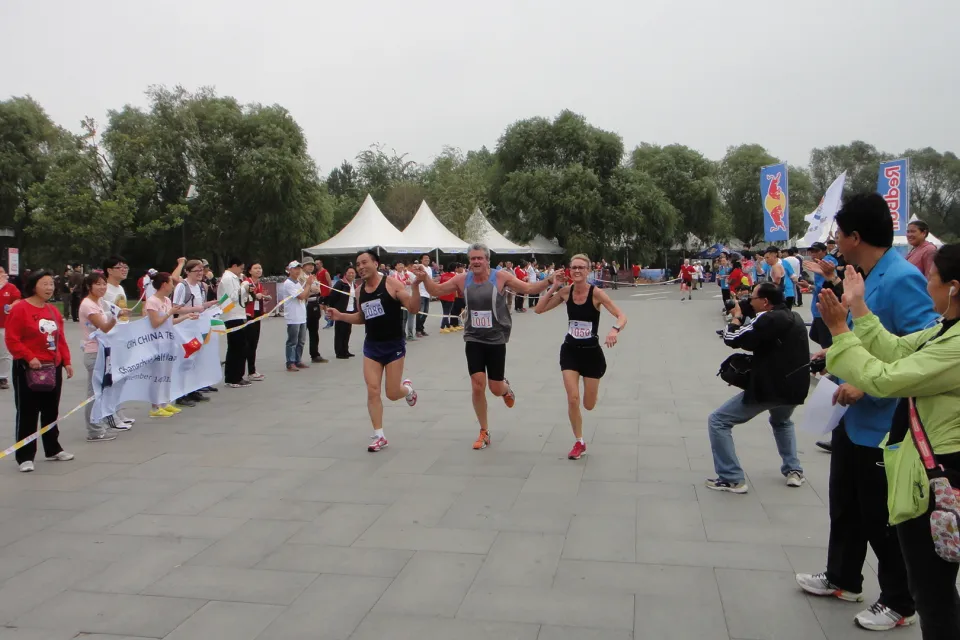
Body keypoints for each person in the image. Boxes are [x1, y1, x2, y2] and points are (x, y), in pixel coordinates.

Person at [796, 193, 938, 632]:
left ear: (856, 236)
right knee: (846, 503)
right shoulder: (865, 273)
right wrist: (834, 352)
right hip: (849, 418)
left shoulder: (901, 278)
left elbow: (921, 350)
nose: (834, 241)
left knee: (882, 515)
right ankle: (842, 577)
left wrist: (863, 383)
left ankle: (900, 601)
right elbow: (859, 332)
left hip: (884, 421)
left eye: (839, 233)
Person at [818, 247, 960, 639]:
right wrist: (859, 307)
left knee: (932, 588)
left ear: (953, 289)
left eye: (932, 276)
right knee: (931, 583)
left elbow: (884, 378)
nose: (926, 281)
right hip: (924, 464)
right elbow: (896, 350)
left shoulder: (955, 346)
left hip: (943, 474)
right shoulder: (944, 329)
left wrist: (841, 332)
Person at [414, 243, 553, 450]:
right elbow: (437, 290)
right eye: (473, 259)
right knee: (477, 384)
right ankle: (484, 430)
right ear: (469, 261)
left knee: (495, 388)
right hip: (473, 337)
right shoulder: (463, 279)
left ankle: (506, 388)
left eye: (480, 258)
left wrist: (550, 281)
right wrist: (423, 278)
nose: (476, 262)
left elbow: (529, 289)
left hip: (496, 338)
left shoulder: (500, 277)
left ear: (487, 260)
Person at [705, 283, 808, 493]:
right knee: (782, 421)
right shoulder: (793, 316)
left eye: (752, 298)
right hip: (795, 386)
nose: (749, 301)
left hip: (771, 387)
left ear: (765, 302)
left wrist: (735, 317)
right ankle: (794, 470)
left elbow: (733, 339)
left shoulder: (768, 318)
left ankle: (732, 478)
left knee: (718, 421)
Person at [534, 254, 627, 460]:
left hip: (592, 354)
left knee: (588, 404)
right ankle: (579, 442)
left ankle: (589, 398)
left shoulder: (597, 293)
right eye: (573, 267)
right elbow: (539, 310)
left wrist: (614, 330)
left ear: (588, 271)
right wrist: (554, 286)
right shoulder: (566, 292)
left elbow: (621, 316)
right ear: (569, 270)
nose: (577, 271)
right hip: (570, 351)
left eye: (581, 268)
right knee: (573, 398)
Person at [327, 251, 418, 452]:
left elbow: (412, 307)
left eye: (364, 262)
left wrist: (417, 287)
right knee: (373, 390)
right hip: (372, 347)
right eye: (358, 264)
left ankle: (408, 390)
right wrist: (341, 316)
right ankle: (379, 435)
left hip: (393, 345)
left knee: (393, 393)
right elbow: (362, 317)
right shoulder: (359, 291)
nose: (360, 267)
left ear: (376, 263)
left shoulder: (392, 284)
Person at [3, 270, 75, 472]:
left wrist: (67, 361)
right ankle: (25, 456)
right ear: (34, 286)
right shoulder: (21, 309)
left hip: (52, 367)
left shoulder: (53, 311)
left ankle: (53, 448)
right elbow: (11, 339)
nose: (49, 288)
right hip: (28, 368)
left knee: (51, 410)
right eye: (45, 284)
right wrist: (28, 356)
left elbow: (60, 339)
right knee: (27, 412)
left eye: (51, 284)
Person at [144, 273, 198, 417]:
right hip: (156, 342)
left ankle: (165, 402)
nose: (172, 285)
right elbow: (155, 323)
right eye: (170, 283)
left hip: (168, 340)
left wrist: (186, 316)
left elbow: (169, 322)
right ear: (163, 284)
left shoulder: (167, 300)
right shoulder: (152, 301)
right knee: (157, 374)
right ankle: (154, 407)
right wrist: (170, 313)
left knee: (167, 374)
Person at [77, 272, 118, 441]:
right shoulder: (88, 305)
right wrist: (116, 319)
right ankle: (94, 430)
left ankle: (99, 424)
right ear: (89, 287)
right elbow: (104, 327)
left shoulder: (99, 302)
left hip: (102, 351)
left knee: (101, 391)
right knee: (94, 392)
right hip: (94, 352)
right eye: (98, 284)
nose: (102, 287)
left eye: (104, 284)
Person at [172, 259, 219, 405]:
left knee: (196, 359)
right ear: (187, 272)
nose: (200, 273)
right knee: (186, 359)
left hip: (198, 327)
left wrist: (207, 305)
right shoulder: (182, 286)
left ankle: (193, 389)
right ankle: (181, 394)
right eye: (196, 271)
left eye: (201, 270)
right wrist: (195, 309)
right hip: (185, 328)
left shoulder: (200, 286)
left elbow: (199, 306)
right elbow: (176, 308)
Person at [218, 257, 250, 388]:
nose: (241, 271)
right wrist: (244, 287)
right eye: (241, 268)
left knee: (241, 346)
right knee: (235, 346)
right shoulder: (228, 278)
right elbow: (232, 296)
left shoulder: (235, 278)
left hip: (239, 313)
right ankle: (232, 377)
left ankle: (238, 375)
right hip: (231, 315)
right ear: (234, 266)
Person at [280, 260, 314, 371]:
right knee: (292, 341)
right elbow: (301, 296)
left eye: (299, 268)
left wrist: (308, 287)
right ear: (289, 270)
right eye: (295, 268)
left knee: (301, 341)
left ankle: (298, 360)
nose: (297, 271)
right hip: (293, 316)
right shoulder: (288, 283)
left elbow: (306, 295)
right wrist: (308, 284)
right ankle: (290, 362)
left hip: (301, 315)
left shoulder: (298, 282)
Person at [242, 262, 267, 381]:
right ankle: (249, 370)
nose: (258, 270)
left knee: (254, 342)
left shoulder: (259, 284)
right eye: (255, 268)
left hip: (257, 314)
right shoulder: (246, 283)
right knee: (248, 343)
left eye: (260, 268)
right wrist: (255, 295)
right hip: (248, 315)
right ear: (250, 271)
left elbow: (259, 298)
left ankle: (252, 370)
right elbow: (244, 298)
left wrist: (264, 298)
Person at [301, 258, 329, 363]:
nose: (311, 266)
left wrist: (315, 290)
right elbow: (302, 293)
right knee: (302, 333)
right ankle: (296, 359)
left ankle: (315, 354)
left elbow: (319, 290)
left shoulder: (313, 277)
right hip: (306, 304)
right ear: (303, 266)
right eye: (308, 265)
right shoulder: (300, 277)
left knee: (314, 331)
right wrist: (312, 290)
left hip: (315, 303)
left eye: (312, 265)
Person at [0, 265, 22, 390]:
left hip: (5, 324)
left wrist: (12, 305)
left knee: (4, 352)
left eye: (1, 272)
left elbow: (18, 299)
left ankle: (2, 377)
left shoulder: (10, 287)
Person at [329, 266, 358, 359]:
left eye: (353, 273)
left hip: (350, 311)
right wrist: (334, 308)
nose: (351, 274)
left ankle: (345, 350)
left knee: (347, 331)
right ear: (345, 274)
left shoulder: (354, 284)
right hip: (340, 311)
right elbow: (333, 296)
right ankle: (339, 352)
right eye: (349, 273)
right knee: (340, 332)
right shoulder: (340, 284)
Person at [415, 254, 433, 337]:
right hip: (421, 293)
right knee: (420, 312)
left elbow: (430, 281)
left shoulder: (429, 268)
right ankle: (418, 330)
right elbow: (415, 268)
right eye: (425, 259)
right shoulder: (420, 266)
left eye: (428, 259)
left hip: (427, 293)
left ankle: (421, 329)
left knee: (426, 312)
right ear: (421, 260)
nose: (427, 260)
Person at [438, 265, 457, 333]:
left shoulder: (443, 275)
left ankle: (448, 326)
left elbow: (440, 284)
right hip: (450, 296)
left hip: (442, 295)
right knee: (447, 312)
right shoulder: (454, 276)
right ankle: (442, 327)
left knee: (445, 311)